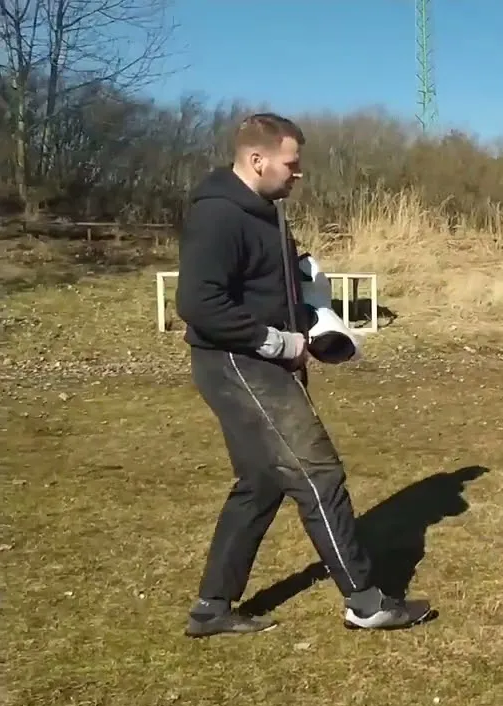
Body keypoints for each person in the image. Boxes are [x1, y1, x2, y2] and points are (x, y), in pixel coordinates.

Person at [175, 112, 433, 636]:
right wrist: (278, 342)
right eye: (291, 164)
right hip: (238, 363)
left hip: (263, 361)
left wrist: (313, 304)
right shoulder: (219, 215)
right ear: (257, 159)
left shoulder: (266, 212)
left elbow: (270, 279)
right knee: (318, 472)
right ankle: (366, 602)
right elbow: (198, 303)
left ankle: (211, 608)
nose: (298, 174)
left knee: (262, 482)